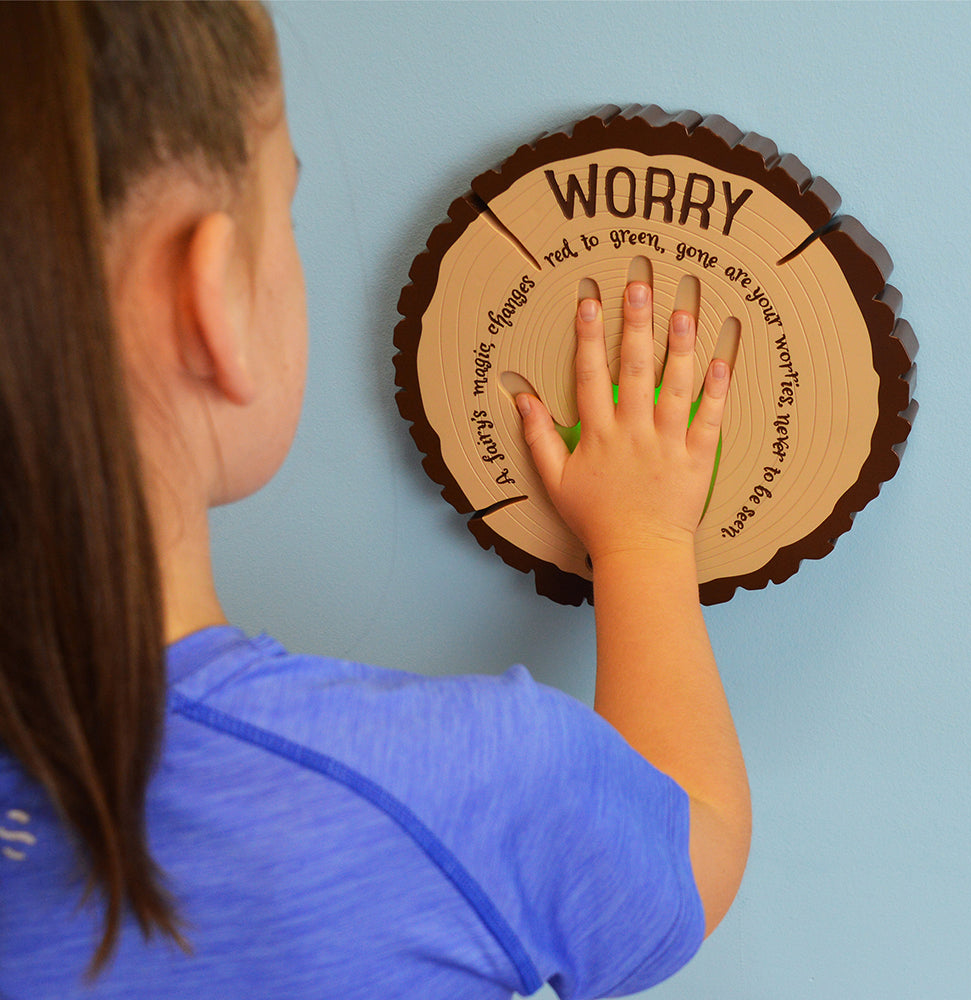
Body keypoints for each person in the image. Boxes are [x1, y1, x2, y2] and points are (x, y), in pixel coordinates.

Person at [0, 2, 751, 997]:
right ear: (210, 298)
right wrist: (646, 539)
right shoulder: (465, 787)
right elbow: (691, 838)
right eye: (288, 210)